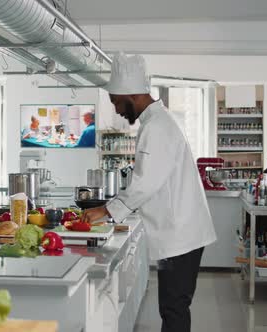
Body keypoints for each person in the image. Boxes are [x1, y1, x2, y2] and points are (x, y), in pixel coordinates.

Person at [81, 53, 216, 332]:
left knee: (173, 308)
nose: (117, 110)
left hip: (181, 235)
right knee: (173, 307)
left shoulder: (157, 127)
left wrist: (106, 211)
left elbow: (145, 183)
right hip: (180, 233)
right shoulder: (156, 122)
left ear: (131, 94)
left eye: (116, 102)